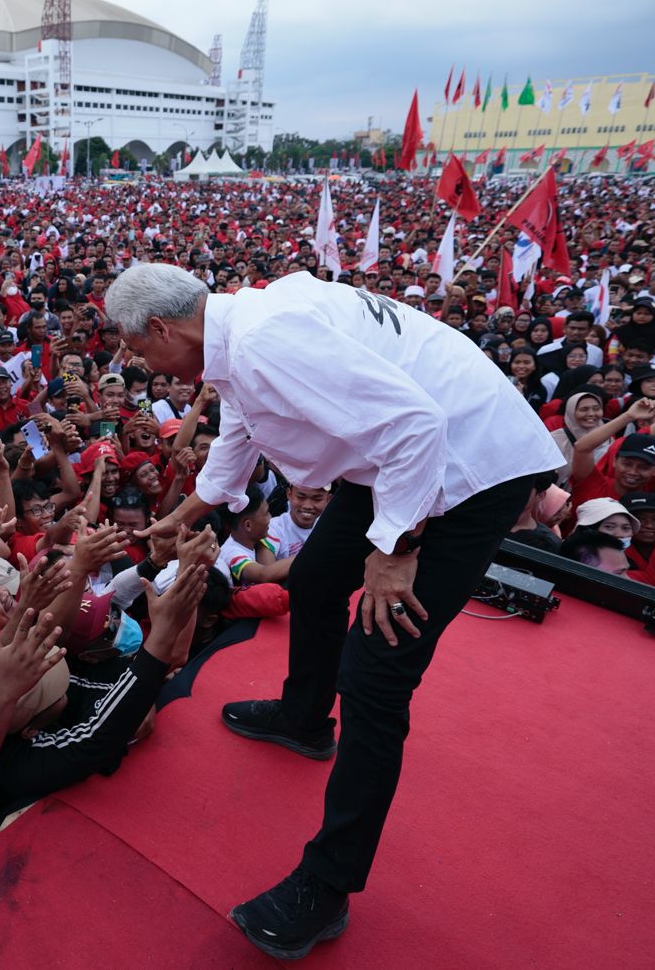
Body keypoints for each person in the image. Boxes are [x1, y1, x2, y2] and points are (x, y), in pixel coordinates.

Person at [107, 261, 561, 960]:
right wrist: (191, 509)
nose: (137, 361)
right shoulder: (236, 331)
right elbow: (241, 431)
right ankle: (304, 716)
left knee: (377, 671)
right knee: (318, 577)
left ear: (163, 329)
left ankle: (327, 884)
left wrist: (397, 546)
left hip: (465, 469)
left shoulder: (264, 339)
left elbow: (416, 424)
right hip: (391, 462)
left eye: (136, 347)